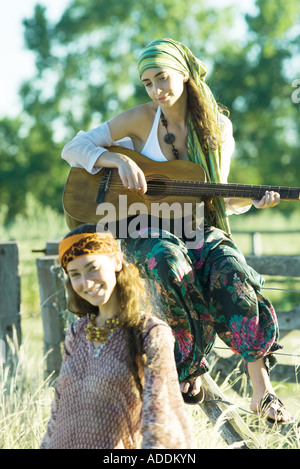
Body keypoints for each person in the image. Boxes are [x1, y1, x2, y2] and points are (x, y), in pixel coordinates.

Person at [61, 38, 291, 423]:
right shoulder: (140, 118)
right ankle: (190, 366)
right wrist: (115, 159)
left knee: (230, 269)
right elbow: (75, 146)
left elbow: (216, 194)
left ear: (184, 73)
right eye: (148, 83)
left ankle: (262, 391)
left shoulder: (218, 127)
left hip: (195, 226)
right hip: (143, 228)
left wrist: (253, 201)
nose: (156, 90)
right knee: (166, 258)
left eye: (162, 78)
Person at [40, 224, 195, 449]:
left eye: (92, 268)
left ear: (116, 262)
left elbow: (160, 415)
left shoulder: (150, 332)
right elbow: (58, 411)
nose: (86, 283)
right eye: (75, 275)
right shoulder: (76, 332)